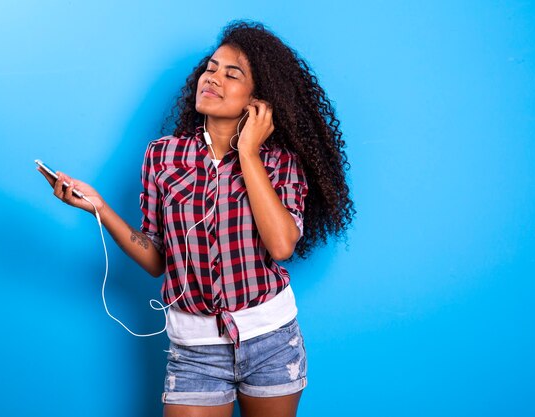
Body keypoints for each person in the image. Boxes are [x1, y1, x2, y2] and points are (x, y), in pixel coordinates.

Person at [38, 20, 354, 417]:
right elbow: (156, 260)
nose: (214, 78)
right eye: (211, 68)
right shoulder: (163, 156)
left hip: (271, 340)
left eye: (231, 73)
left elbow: (281, 245)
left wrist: (248, 154)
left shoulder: (279, 161)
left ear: (259, 99)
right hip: (194, 350)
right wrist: (99, 208)